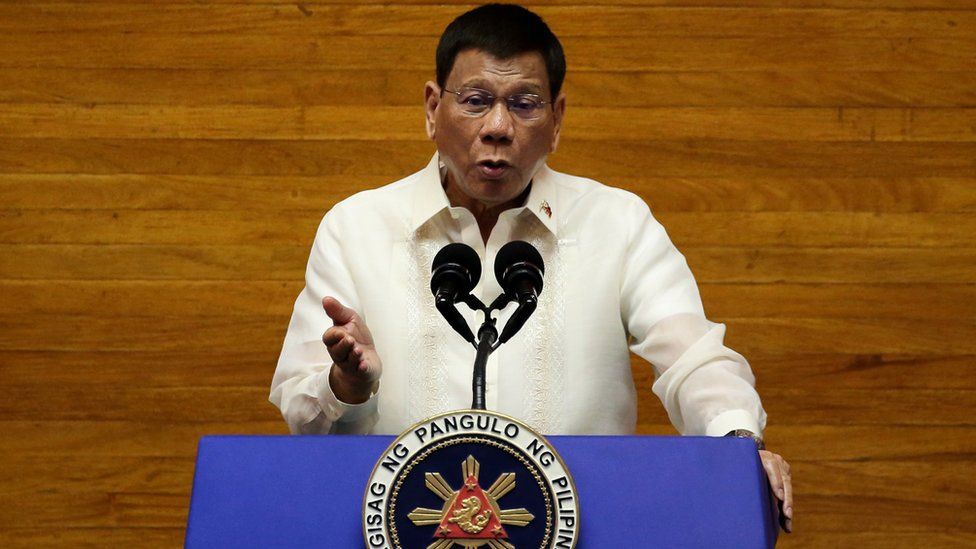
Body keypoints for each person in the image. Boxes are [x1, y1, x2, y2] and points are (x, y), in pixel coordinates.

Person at [269, 3, 793, 532]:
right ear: (432, 109)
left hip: (587, 529)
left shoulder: (616, 222)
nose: (498, 127)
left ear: (557, 118)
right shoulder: (356, 227)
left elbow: (694, 359)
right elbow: (300, 411)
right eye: (475, 101)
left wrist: (737, 444)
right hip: (402, 531)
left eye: (524, 104)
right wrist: (346, 385)